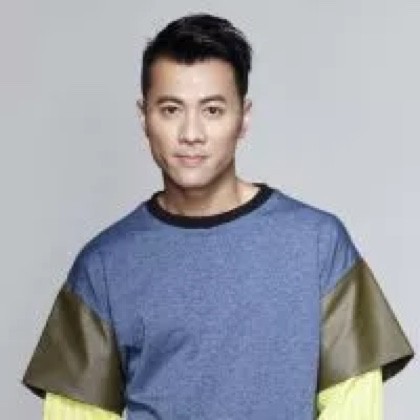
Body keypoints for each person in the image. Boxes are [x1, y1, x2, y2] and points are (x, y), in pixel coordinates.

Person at [22, 13, 414, 420]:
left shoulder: (317, 245)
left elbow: (353, 407)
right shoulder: (103, 266)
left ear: (243, 118)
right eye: (171, 110)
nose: (191, 134)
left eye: (212, 110)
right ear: (144, 117)